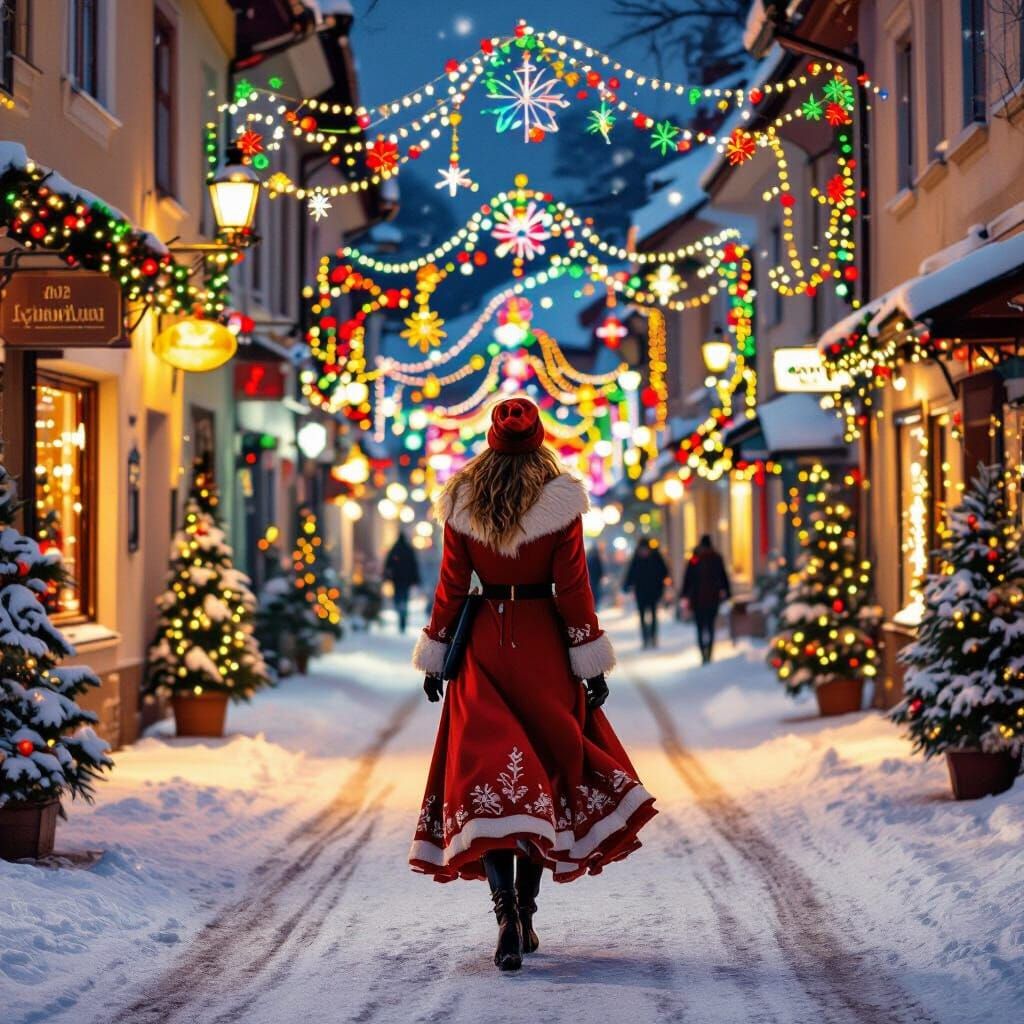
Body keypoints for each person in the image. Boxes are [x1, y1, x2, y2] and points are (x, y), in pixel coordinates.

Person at [410, 397, 657, 973]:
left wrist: (437, 652)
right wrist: (588, 657)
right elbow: (573, 588)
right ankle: (526, 909)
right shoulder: (562, 503)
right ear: (539, 439)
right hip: (545, 644)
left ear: (491, 441)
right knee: (542, 774)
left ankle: (505, 918)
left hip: (484, 650)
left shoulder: (463, 500)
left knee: (488, 780)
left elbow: (451, 586)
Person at [680, 534, 731, 664]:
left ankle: (704, 653)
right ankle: (709, 652)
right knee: (710, 626)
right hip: (712, 598)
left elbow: (688, 578)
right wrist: (727, 592)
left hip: (697, 599)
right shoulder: (715, 557)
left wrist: (684, 594)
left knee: (700, 627)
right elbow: (723, 576)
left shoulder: (695, 558)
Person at [622, 538, 670, 649]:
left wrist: (661, 585)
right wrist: (627, 585)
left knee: (653, 615)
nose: (643, 551)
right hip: (641, 593)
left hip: (653, 592)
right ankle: (645, 639)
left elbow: (664, 571)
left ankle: (653, 638)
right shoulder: (637, 558)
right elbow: (631, 573)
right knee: (643, 616)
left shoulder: (655, 557)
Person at [384, 533, 421, 633]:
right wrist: (416, 579)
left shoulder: (395, 549)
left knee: (398, 597)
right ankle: (403, 614)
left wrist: (386, 576)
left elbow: (388, 564)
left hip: (397, 579)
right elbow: (414, 565)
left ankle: (400, 611)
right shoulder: (409, 550)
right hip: (406, 580)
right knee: (404, 597)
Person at [586, 542, 605, 609]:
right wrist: (601, 575)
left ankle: (592, 606)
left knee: (592, 592)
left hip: (590, 578)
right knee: (596, 592)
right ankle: (595, 606)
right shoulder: (596, 556)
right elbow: (599, 567)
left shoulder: (588, 556)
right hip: (595, 578)